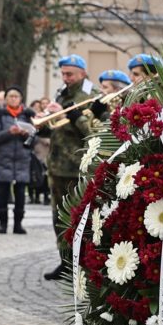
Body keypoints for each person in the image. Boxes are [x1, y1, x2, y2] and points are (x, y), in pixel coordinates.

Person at [37, 55, 101, 280]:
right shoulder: (61, 94)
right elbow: (55, 129)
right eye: (63, 74)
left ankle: (81, 263)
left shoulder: (91, 96)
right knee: (58, 218)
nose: (66, 78)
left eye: (70, 74)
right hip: (56, 166)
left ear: (82, 73)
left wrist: (72, 116)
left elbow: (94, 132)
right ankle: (64, 261)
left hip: (76, 167)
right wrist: (43, 124)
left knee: (78, 219)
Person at [0, 88, 35, 235]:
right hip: (4, 160)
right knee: (2, 194)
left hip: (22, 160)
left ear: (21, 98)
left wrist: (25, 134)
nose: (13, 99)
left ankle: (18, 224)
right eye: (10, 96)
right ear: (6, 99)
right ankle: (3, 224)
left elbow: (35, 139)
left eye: (16, 96)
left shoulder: (28, 116)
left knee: (21, 194)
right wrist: (9, 132)